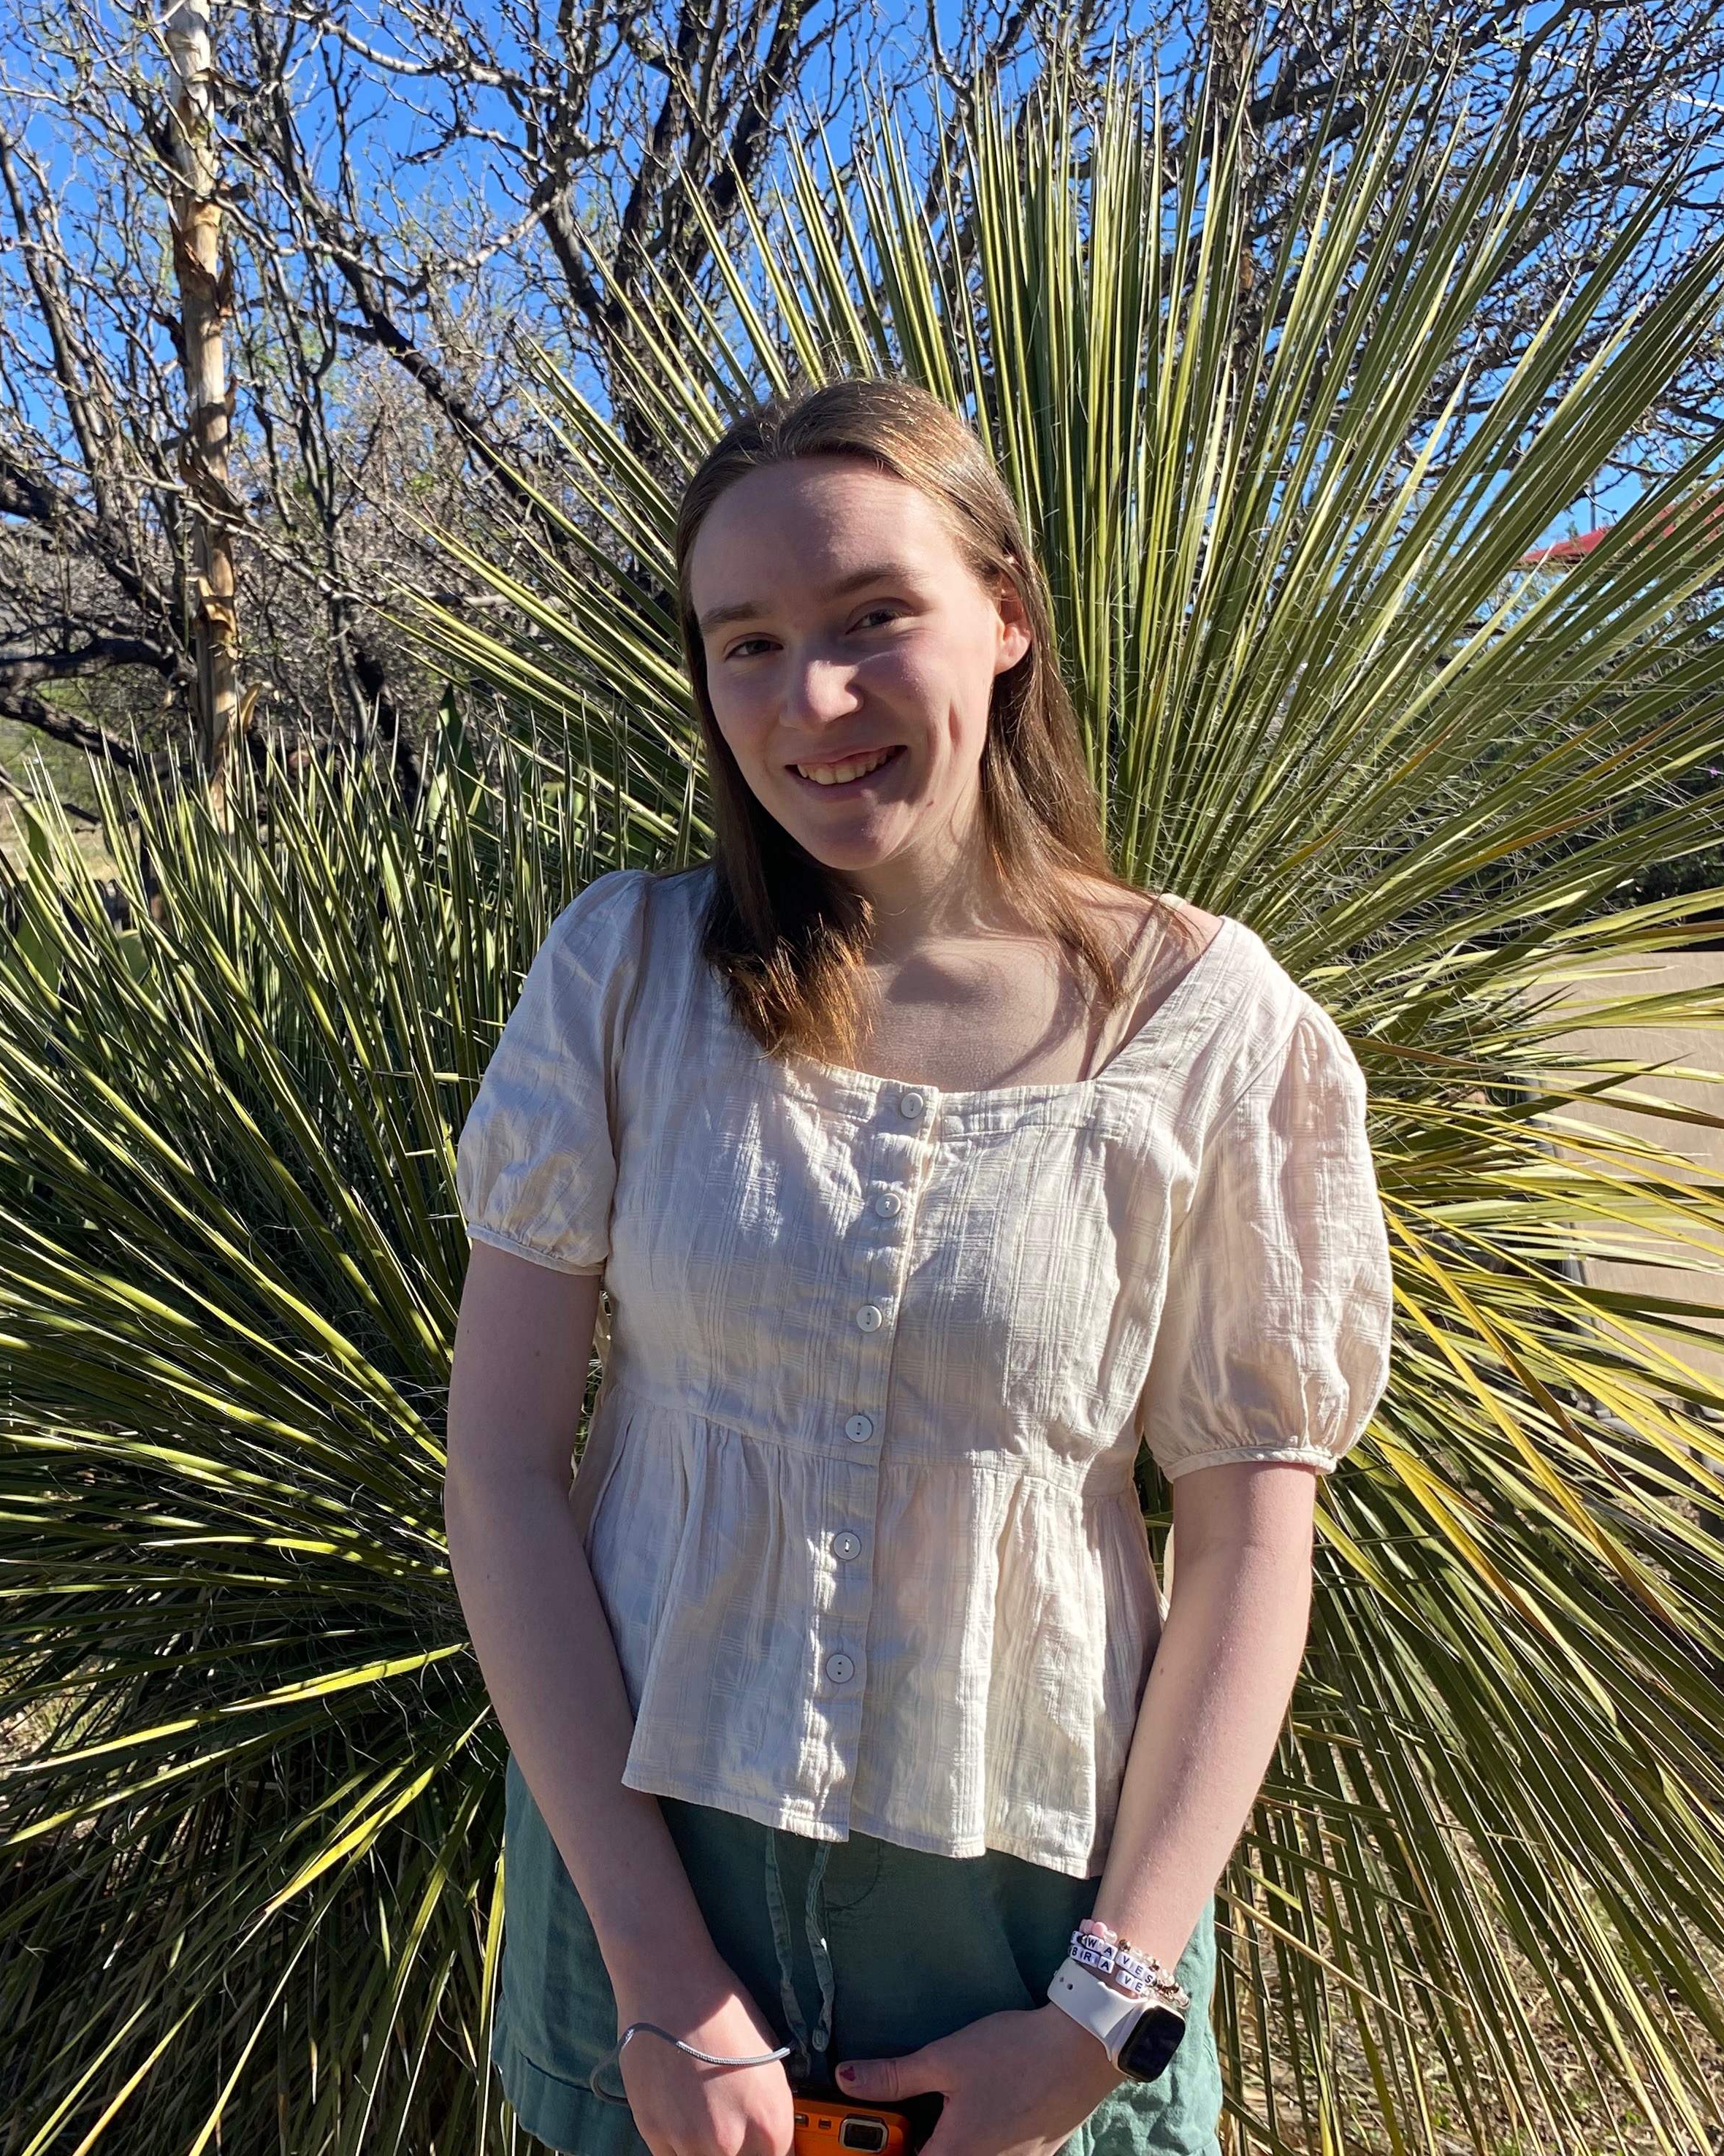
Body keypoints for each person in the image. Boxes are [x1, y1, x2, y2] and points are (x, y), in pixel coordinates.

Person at [441, 379, 1395, 2156]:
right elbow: (498, 1470)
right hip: (649, 1886)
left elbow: (1256, 1535)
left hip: (1025, 1937)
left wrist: (1103, 2005)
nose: (810, 701)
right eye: (747, 643)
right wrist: (659, 1975)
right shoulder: (627, 978)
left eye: (875, 615)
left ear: (1009, 613)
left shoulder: (1212, 1027)